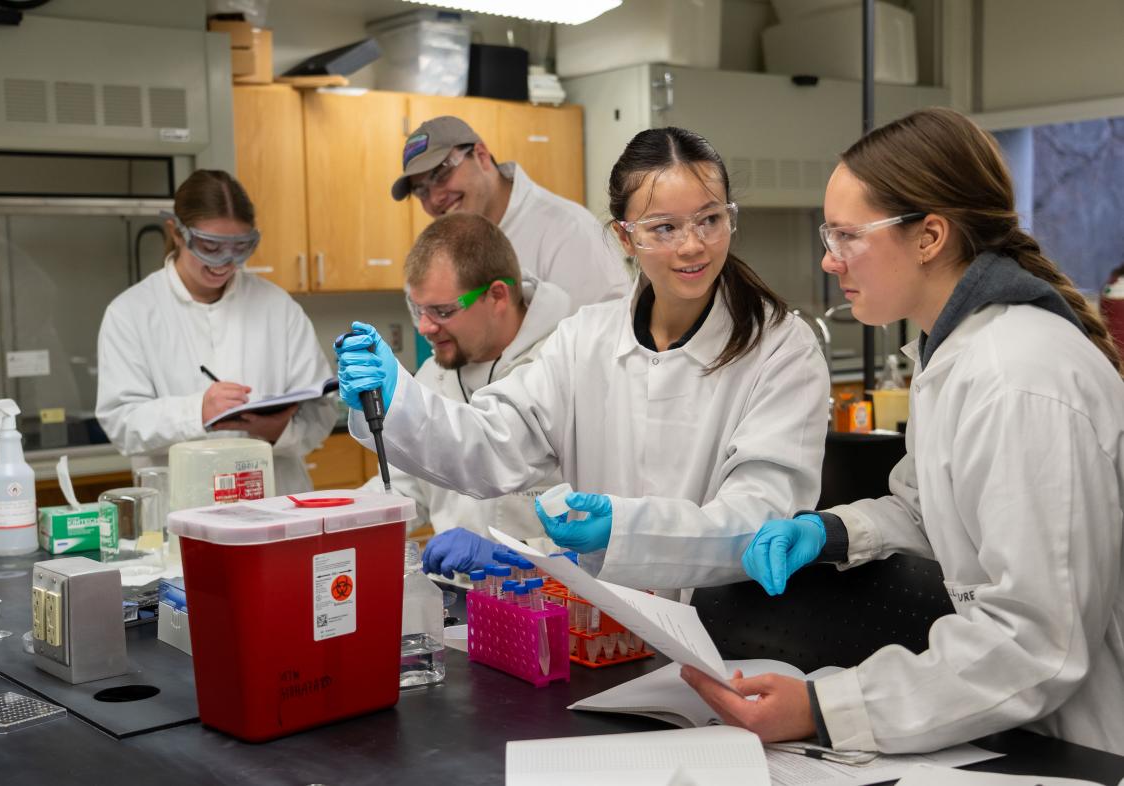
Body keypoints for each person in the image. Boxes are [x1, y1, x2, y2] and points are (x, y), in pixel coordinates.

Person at [682, 107, 1124, 756]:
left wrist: (823, 708)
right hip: (1015, 724)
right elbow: (938, 511)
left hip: (1090, 743)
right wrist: (832, 531)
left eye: (846, 236)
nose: (830, 263)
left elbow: (1038, 644)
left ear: (929, 237)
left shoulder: (1016, 376)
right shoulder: (952, 355)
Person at [338, 127, 830, 590]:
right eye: (664, 228)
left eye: (710, 219)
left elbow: (762, 515)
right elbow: (492, 444)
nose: (692, 245)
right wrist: (395, 396)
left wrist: (625, 529)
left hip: (726, 632)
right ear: (625, 237)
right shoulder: (583, 339)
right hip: (600, 631)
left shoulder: (782, 348)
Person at [357, 212, 572, 575]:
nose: (425, 327)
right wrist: (335, 519)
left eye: (442, 311)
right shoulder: (436, 373)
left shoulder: (565, 366)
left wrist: (515, 557)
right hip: (454, 600)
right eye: (418, 309)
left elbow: (601, 537)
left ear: (497, 296)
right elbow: (404, 485)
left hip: (543, 604)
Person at [97, 169, 336, 496]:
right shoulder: (131, 313)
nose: (225, 262)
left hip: (273, 506)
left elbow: (321, 412)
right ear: (177, 233)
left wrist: (278, 431)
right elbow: (121, 423)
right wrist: (197, 411)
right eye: (210, 247)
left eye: (240, 248)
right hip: (182, 510)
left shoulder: (277, 307)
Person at [391, 115, 631, 313]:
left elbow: (606, 337)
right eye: (421, 191)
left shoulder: (569, 230)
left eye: (442, 174)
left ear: (481, 155)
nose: (435, 198)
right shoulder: (438, 251)